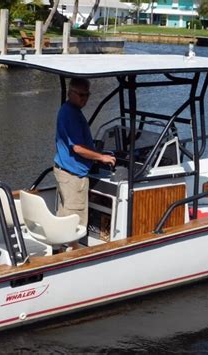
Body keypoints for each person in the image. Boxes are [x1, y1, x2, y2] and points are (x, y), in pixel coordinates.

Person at [54, 78, 116, 248]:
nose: (84, 99)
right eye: (80, 95)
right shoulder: (70, 114)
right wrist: (101, 157)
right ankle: (73, 254)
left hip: (65, 172)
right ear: (70, 93)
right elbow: (78, 149)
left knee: (65, 213)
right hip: (73, 175)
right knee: (75, 219)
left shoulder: (70, 110)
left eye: (87, 95)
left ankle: (60, 248)